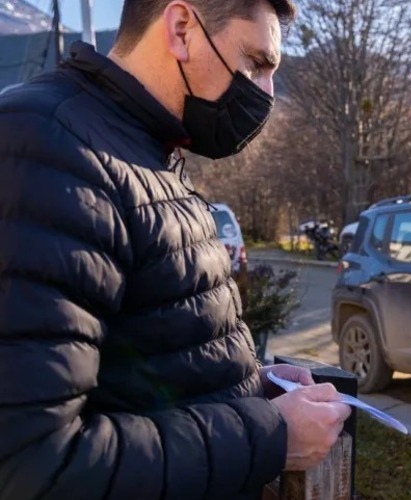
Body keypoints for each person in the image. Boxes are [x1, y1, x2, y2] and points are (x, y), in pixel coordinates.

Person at [0, 1, 351, 498]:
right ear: (182, 28)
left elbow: (143, 359)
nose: (267, 92)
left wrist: (249, 386)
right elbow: (35, 464)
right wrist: (271, 434)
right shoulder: (47, 145)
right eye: (256, 62)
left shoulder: (145, 150)